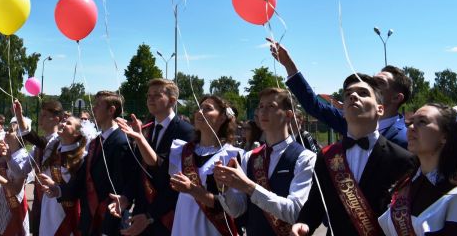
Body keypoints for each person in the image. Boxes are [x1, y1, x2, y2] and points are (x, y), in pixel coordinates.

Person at [291, 74, 416, 236]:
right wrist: (304, 223)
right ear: (342, 112)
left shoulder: (403, 160)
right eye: (348, 93)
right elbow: (315, 203)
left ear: (380, 109)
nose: (353, 96)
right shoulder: (326, 156)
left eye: (363, 93)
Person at [270, 39, 411, 148]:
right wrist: (288, 64)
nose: (371, 86)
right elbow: (313, 104)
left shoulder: (407, 138)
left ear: (397, 97)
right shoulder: (349, 120)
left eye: (379, 83)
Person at [378, 104, 457, 235]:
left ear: (445, 136)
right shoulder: (406, 184)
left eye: (422, 122)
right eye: (410, 122)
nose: (411, 127)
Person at [214, 88, 316, 236]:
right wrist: (225, 190)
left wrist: (250, 187)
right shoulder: (249, 157)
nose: (263, 111)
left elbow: (296, 213)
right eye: (261, 106)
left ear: (288, 115)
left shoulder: (305, 157)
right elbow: (237, 210)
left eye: (271, 106)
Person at [112, 78, 196, 236]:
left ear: (172, 100)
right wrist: (126, 198)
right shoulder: (146, 128)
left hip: (167, 216)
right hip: (140, 213)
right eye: (148, 95)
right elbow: (138, 169)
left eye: (156, 95)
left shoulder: (186, 131)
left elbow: (173, 178)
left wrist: (150, 215)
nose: (150, 99)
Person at [58, 91, 133, 236]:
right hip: (91, 218)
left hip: (109, 219)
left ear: (111, 110)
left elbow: (120, 185)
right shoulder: (96, 141)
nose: (93, 108)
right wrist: (59, 190)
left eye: (98, 105)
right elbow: (83, 176)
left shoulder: (121, 142)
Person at [166, 95, 243, 236]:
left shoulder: (233, 156)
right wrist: (140, 138)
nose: (200, 112)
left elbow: (234, 208)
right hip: (183, 226)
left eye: (207, 108)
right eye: (199, 108)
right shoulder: (182, 150)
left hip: (213, 229)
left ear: (222, 118)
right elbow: (155, 167)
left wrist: (192, 189)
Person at [36, 115, 92, 236]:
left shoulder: (82, 157)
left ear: (77, 134)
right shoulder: (54, 150)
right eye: (63, 121)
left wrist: (55, 187)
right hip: (49, 207)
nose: (63, 124)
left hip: (66, 212)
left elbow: (77, 187)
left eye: (68, 123)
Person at [14, 99, 63, 235]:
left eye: (44, 115)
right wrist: (8, 157)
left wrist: (19, 116)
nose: (40, 118)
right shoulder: (38, 146)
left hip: (57, 201)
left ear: (56, 119)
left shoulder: (60, 141)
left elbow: (38, 140)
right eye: (40, 115)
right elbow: (21, 171)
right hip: (40, 198)